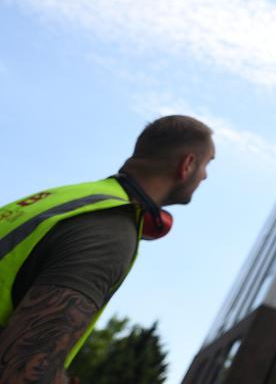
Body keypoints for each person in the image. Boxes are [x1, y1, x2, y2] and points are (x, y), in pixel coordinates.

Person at [0, 114, 215, 383]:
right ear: (188, 164)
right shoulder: (111, 229)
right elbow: (22, 369)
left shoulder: (71, 197)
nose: (205, 176)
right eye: (207, 164)